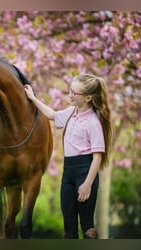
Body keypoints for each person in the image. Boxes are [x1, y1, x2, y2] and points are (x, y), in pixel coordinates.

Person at [24, 73, 112, 239]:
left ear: (88, 98)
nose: (70, 95)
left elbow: (98, 157)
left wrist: (87, 184)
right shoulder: (71, 112)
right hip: (68, 174)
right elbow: (51, 115)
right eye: (70, 91)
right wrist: (32, 98)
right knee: (69, 227)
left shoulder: (93, 122)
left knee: (87, 227)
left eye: (75, 93)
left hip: (85, 173)